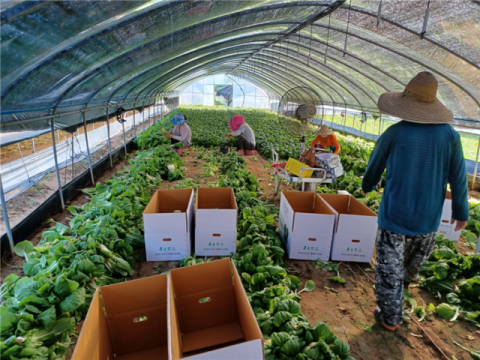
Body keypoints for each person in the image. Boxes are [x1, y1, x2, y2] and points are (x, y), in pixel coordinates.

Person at [362, 71, 468, 331]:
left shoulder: (394, 133)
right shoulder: (450, 136)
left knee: (389, 267)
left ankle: (390, 318)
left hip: (395, 215)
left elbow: (374, 166)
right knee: (411, 265)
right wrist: (460, 211)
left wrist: (367, 185)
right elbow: (458, 176)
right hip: (429, 217)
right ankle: (403, 289)